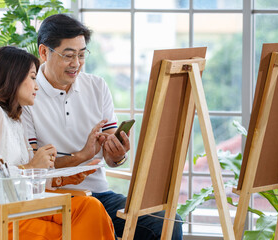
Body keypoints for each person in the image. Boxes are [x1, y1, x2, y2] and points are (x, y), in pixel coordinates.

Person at [21, 14, 183, 239]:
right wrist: (80, 156)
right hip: (55, 198)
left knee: (166, 221)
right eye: (68, 55)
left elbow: (110, 157)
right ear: (44, 52)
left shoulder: (97, 86)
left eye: (81, 54)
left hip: (99, 195)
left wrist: (117, 155)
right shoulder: (28, 94)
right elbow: (32, 167)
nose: (76, 64)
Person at [0, 46, 115, 240]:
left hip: (19, 208)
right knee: (65, 232)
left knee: (91, 208)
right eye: (33, 78)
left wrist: (63, 178)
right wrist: (31, 166)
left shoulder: (15, 121)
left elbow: (25, 180)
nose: (37, 86)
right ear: (13, 78)